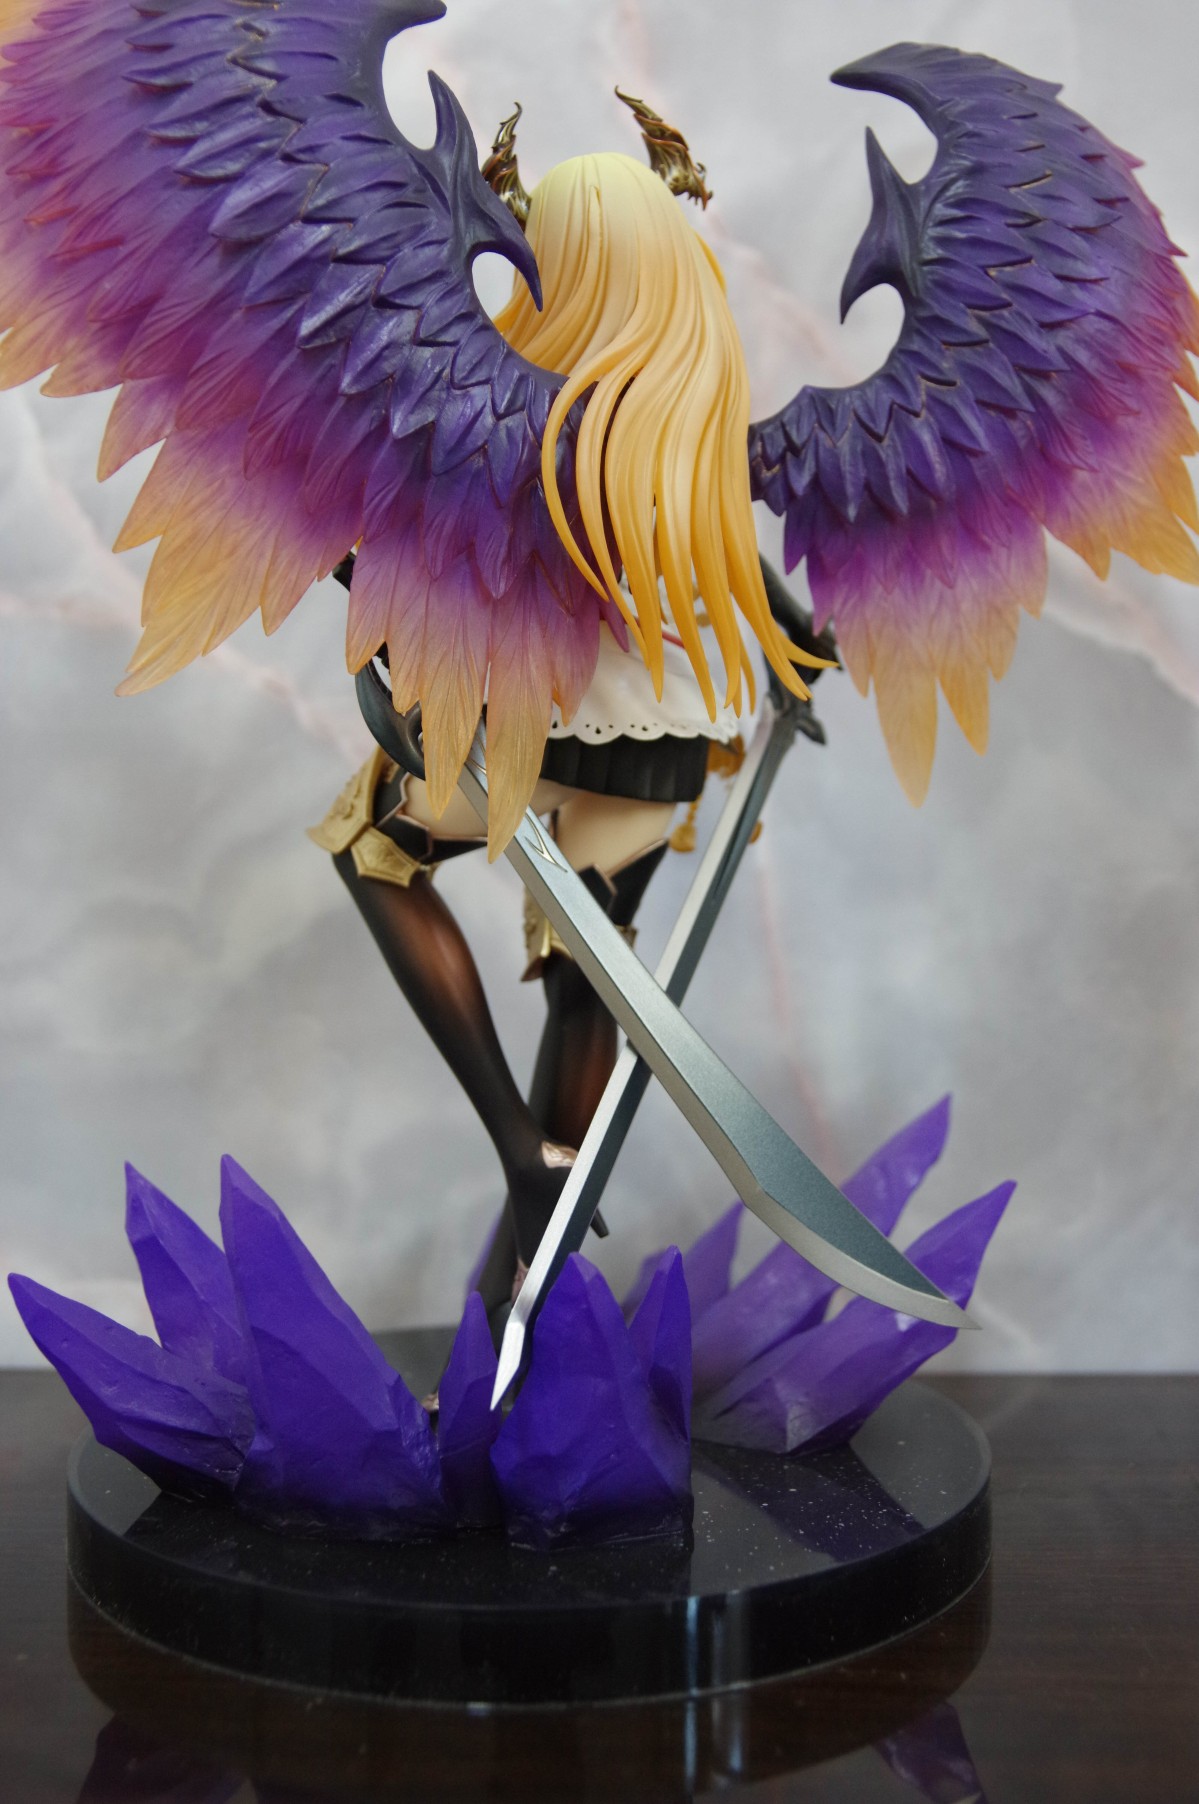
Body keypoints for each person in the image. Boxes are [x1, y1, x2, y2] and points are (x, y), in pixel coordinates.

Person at [309, 127, 832, 1327]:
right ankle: (522, 1304)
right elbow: (723, 545)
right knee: (589, 988)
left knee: (374, 851)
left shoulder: (517, 409)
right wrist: (793, 641)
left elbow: (402, 552)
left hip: (532, 731)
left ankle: (519, 1152)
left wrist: (357, 561)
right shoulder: (687, 392)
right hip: (655, 756)